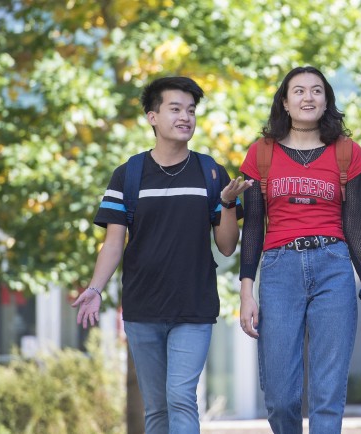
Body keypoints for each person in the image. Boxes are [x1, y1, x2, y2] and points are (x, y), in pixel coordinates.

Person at [71, 76, 253, 434]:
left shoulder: (210, 171)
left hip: (194, 306)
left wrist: (228, 203)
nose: (185, 117)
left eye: (191, 110)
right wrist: (95, 288)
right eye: (175, 109)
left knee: (181, 397)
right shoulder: (129, 174)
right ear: (153, 117)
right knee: (155, 409)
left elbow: (228, 245)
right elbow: (113, 243)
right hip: (142, 308)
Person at [237, 66, 361, 434]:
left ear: (326, 100)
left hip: (333, 265)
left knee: (327, 393)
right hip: (279, 269)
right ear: (284, 102)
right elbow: (253, 226)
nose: (308, 97)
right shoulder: (261, 154)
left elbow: (357, 226)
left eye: (317, 91)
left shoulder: (347, 152)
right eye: (298, 91)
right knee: (281, 396)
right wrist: (246, 291)